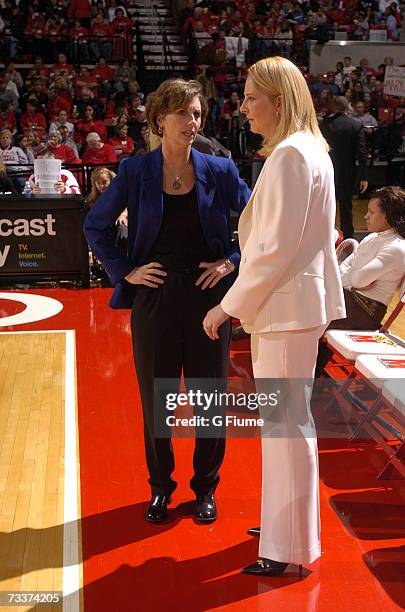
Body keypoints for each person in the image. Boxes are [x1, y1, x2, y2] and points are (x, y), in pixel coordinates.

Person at [203, 56, 346, 577]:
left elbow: (273, 250)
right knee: (290, 427)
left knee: (287, 429)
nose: (243, 109)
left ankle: (287, 547)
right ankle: (286, 529)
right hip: (294, 307)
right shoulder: (314, 151)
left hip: (284, 308)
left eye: (250, 98)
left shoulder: (291, 155)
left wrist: (226, 305)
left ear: (278, 102)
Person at [84, 78, 251, 524]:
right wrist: (126, 271)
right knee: (157, 401)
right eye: (183, 113)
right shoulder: (135, 171)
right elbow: (95, 227)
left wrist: (231, 261)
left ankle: (205, 489)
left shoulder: (219, 168)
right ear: (161, 119)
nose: (192, 121)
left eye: (197, 113)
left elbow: (261, 224)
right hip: (154, 297)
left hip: (208, 298)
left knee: (209, 400)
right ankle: (160, 488)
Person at [317, 186, 405, 374]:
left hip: (366, 311)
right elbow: (345, 273)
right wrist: (354, 279)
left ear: (388, 216)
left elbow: (356, 278)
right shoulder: (372, 238)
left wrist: (353, 278)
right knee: (312, 300)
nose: (365, 216)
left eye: (371, 212)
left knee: (313, 308)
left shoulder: (397, 248)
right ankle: (309, 375)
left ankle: (306, 377)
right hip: (351, 299)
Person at [320, 96, 368, 239]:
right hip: (347, 172)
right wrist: (363, 176)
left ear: (333, 106)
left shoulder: (324, 125)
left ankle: (325, 237)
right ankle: (347, 238)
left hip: (326, 171)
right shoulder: (355, 125)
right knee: (346, 207)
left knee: (324, 206)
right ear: (347, 107)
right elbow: (362, 153)